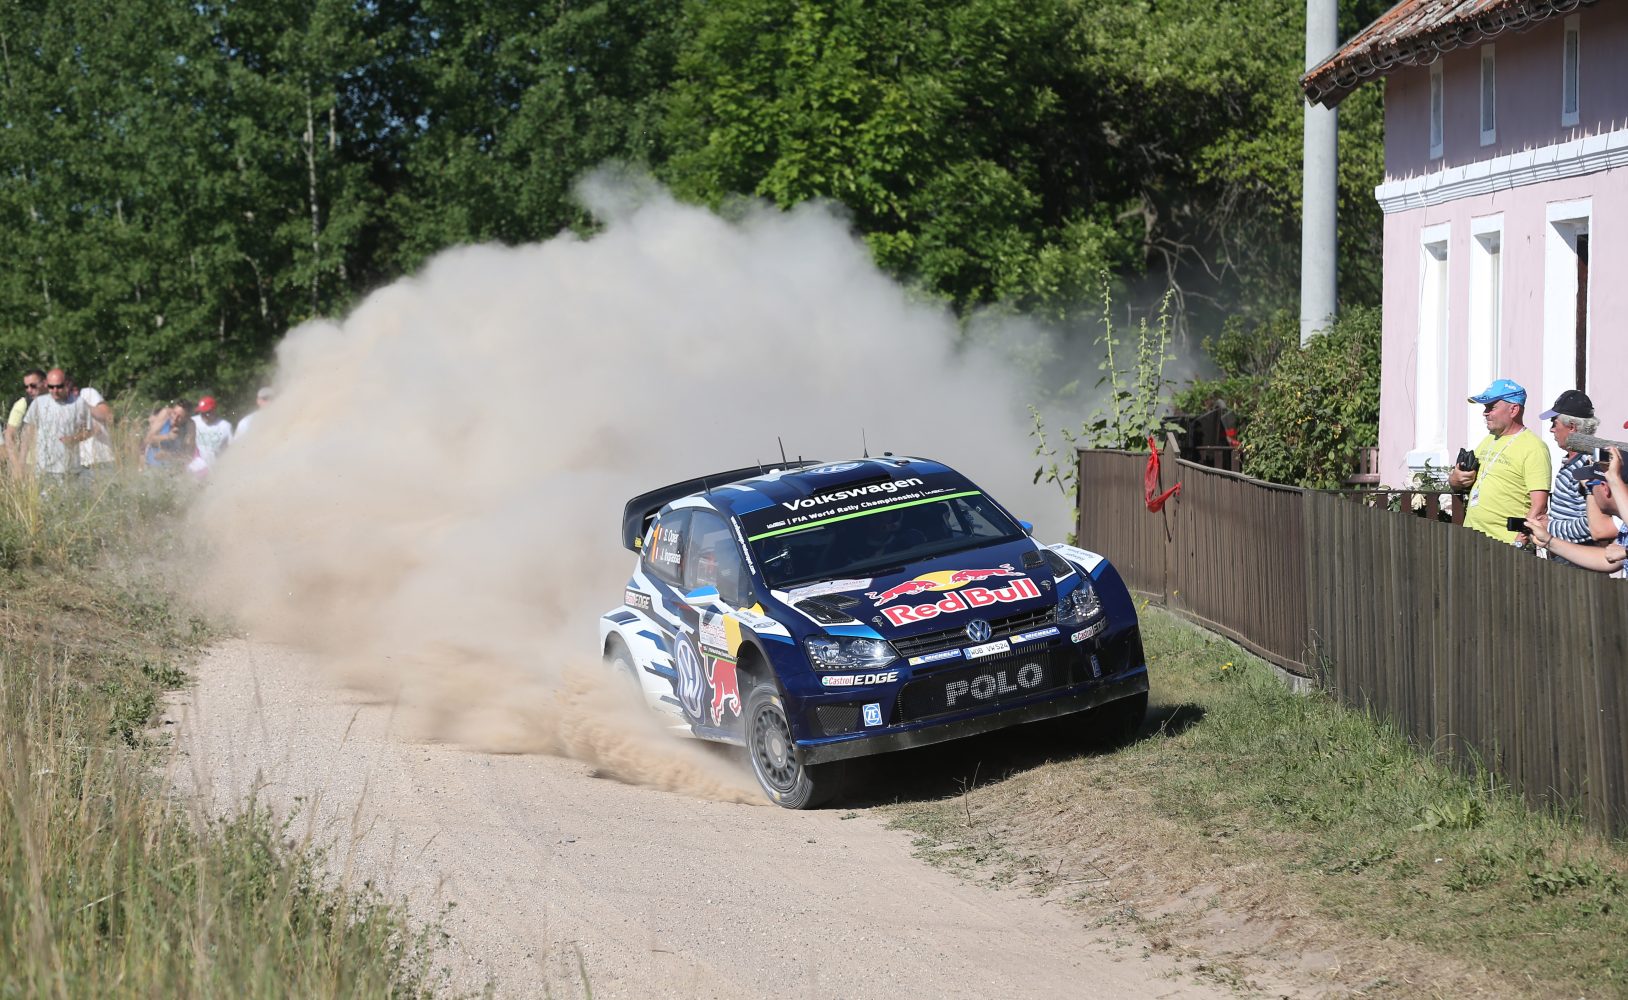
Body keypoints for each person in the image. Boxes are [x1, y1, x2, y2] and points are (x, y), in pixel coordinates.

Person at [1448, 379, 1550, 544]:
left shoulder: (1534, 447)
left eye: (1491, 407)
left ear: (1513, 409)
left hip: (1504, 544)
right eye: (1485, 407)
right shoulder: (1490, 439)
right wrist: (1455, 479)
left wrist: (1519, 543)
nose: (1485, 412)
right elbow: (1463, 481)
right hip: (1472, 538)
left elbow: (1539, 505)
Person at [1538, 390, 1615, 565]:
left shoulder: (1588, 466)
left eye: (1554, 422)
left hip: (1579, 559)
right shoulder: (1576, 461)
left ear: (1571, 427)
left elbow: (1593, 524)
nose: (1551, 429)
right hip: (1568, 554)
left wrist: (1549, 527)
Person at [1529, 446, 1628, 575]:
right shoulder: (1624, 525)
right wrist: (1549, 540)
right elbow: (1605, 559)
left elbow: (1600, 533)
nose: (1590, 493)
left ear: (1605, 488)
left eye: (1590, 487)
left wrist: (1613, 478)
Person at [21, 368, 94, 478]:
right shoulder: (39, 403)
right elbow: (27, 433)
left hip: (70, 469)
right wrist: (21, 461)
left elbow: (89, 430)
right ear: (46, 384)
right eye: (51, 387)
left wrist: (74, 438)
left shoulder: (79, 403)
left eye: (59, 386)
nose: (55, 390)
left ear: (66, 384)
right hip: (44, 469)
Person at [68, 376, 115, 473]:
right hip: (78, 464)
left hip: (101, 460)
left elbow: (109, 417)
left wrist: (83, 404)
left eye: (74, 390)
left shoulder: (88, 393)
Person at [5, 370, 45, 472]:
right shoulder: (23, 404)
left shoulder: (59, 403)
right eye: (26, 387)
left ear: (45, 383)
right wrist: (17, 465)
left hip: (58, 463)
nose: (29, 390)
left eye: (33, 386)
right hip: (30, 465)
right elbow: (9, 436)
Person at [188, 396, 233, 475]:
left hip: (215, 469)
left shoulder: (225, 426)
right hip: (194, 467)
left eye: (207, 413)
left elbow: (231, 449)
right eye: (201, 413)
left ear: (214, 410)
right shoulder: (193, 421)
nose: (204, 415)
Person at [143, 400, 194, 468]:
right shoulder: (165, 414)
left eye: (180, 417)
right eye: (174, 413)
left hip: (174, 469)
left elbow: (189, 456)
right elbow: (147, 439)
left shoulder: (190, 425)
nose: (175, 418)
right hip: (152, 466)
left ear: (186, 418)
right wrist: (167, 436)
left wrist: (170, 456)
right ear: (172, 410)